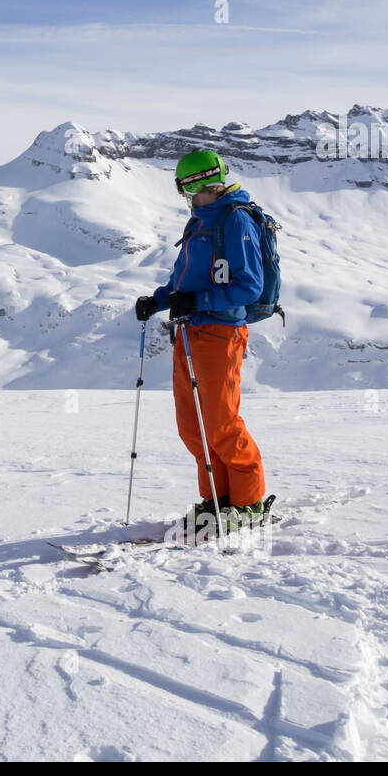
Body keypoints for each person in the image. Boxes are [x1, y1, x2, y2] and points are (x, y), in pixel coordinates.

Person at [134, 149, 268, 532]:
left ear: (203, 184)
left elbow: (249, 287)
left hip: (221, 333)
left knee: (222, 422)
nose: (187, 199)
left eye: (188, 191)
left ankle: (248, 503)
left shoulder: (235, 221)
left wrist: (200, 301)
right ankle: (216, 499)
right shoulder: (198, 222)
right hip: (189, 333)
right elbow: (181, 282)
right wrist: (157, 301)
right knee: (193, 426)